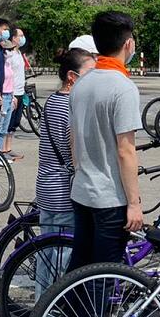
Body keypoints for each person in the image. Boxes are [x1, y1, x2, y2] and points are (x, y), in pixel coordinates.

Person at [63, 11, 143, 317]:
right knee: (101, 280)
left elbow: (73, 139)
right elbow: (126, 150)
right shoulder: (122, 88)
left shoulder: (83, 82)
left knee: (79, 270)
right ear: (128, 43)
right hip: (110, 198)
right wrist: (134, 203)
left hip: (82, 191)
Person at [35, 47, 96, 294]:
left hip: (46, 187)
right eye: (89, 73)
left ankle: (41, 305)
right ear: (72, 76)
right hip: (63, 191)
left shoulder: (52, 100)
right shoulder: (71, 106)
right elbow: (74, 152)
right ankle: (54, 310)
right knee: (62, 260)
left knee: (46, 255)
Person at [1, 27, 27, 162]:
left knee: (15, 122)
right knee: (7, 122)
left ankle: (9, 148)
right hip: (13, 92)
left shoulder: (19, 53)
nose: (22, 38)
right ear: (13, 38)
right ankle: (2, 150)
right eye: (20, 36)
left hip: (20, 91)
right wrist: (11, 94)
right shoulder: (9, 54)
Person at [0, 18, 14, 153]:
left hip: (8, 94)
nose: (6, 32)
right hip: (0, 93)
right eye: (4, 29)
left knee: (3, 129)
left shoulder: (1, 49)